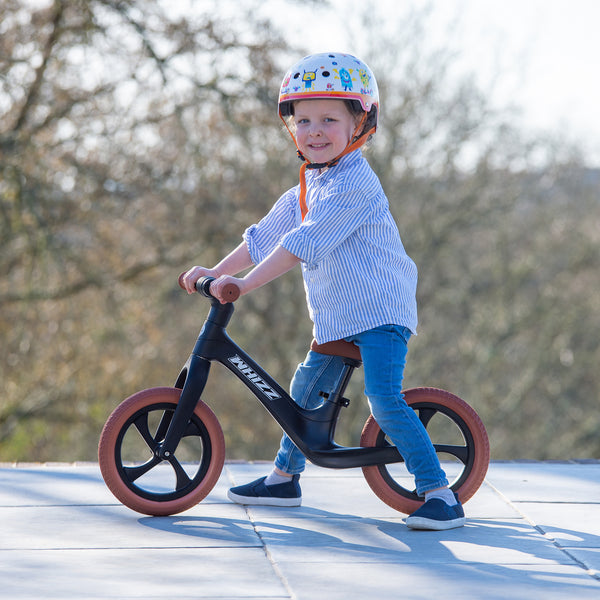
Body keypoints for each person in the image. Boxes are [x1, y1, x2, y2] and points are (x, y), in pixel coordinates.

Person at [181, 52, 465, 530]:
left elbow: (302, 244)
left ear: (360, 124)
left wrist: (243, 285)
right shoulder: (310, 183)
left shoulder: (354, 184)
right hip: (337, 316)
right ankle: (283, 480)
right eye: (304, 120)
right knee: (304, 394)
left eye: (329, 120)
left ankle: (440, 493)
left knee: (384, 400)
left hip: (380, 312)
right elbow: (265, 236)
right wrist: (217, 270)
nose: (314, 131)